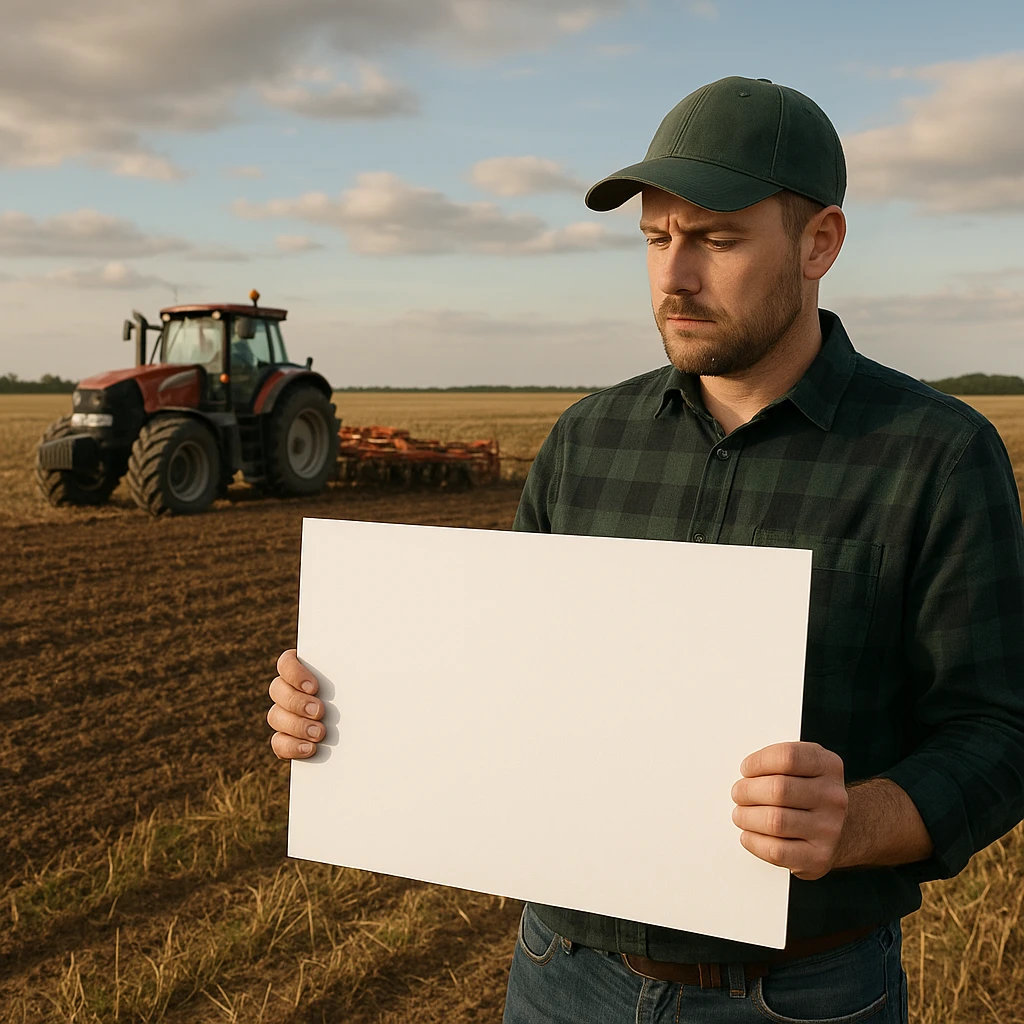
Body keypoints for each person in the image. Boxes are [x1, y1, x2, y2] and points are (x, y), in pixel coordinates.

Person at [267, 76, 1024, 1023]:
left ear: (820, 242)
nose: (674, 277)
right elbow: (508, 685)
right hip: (560, 970)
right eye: (658, 239)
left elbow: (999, 734)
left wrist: (856, 821)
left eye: (716, 239)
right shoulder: (588, 441)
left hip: (801, 993)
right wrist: (346, 714)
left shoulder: (937, 455)